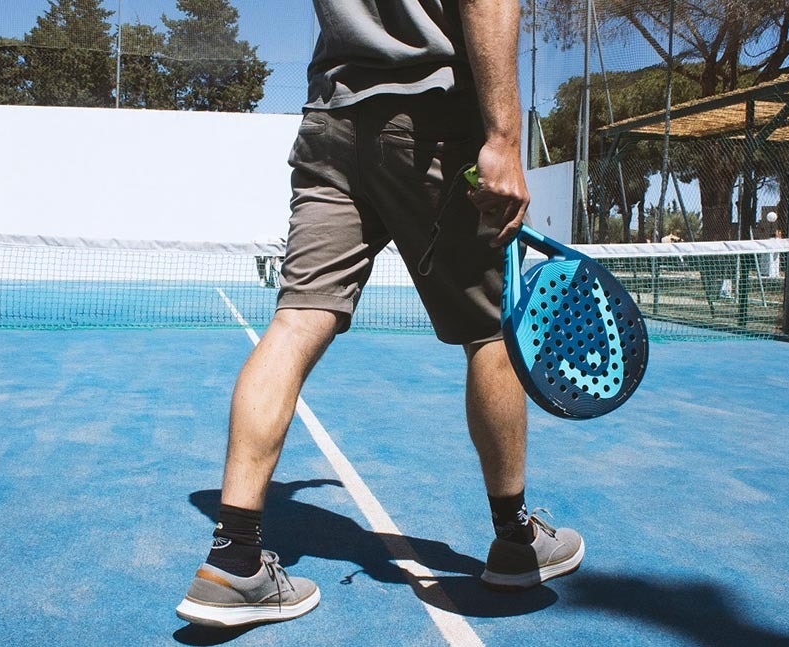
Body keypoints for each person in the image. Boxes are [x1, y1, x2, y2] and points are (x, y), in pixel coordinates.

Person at [175, 0, 584, 628]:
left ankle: (233, 560)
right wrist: (502, 137)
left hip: (331, 123)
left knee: (294, 320)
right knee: (486, 331)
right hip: (433, 126)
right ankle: (514, 540)